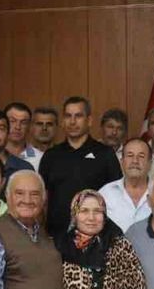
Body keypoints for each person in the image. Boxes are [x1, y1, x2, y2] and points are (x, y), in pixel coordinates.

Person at [39, 96, 122, 237]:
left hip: (96, 238)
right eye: (68, 116)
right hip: (56, 237)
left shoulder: (105, 154)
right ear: (63, 121)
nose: (72, 121)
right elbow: (43, 200)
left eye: (78, 116)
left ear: (89, 120)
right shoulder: (51, 155)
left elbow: (116, 197)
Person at [99, 139, 152, 232]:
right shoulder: (105, 194)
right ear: (122, 162)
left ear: (150, 164)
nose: (135, 161)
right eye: (130, 155)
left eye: (141, 156)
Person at [4, 102, 43, 169]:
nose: (18, 127)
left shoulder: (40, 158)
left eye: (23, 122)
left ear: (29, 126)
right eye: (12, 121)